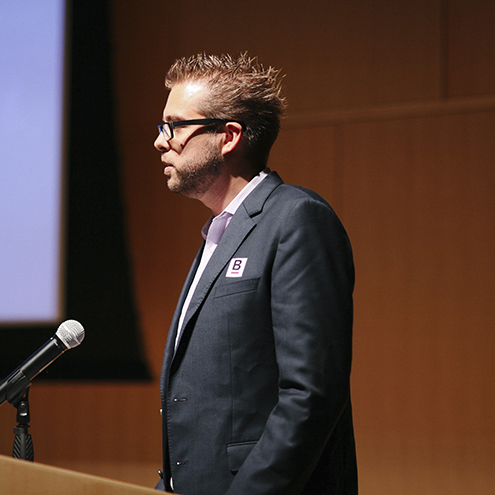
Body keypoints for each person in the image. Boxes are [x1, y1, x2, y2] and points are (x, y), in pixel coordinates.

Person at [153, 53, 357, 495]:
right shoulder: (216, 235)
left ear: (228, 136)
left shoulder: (296, 219)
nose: (160, 141)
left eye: (174, 125)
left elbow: (311, 396)